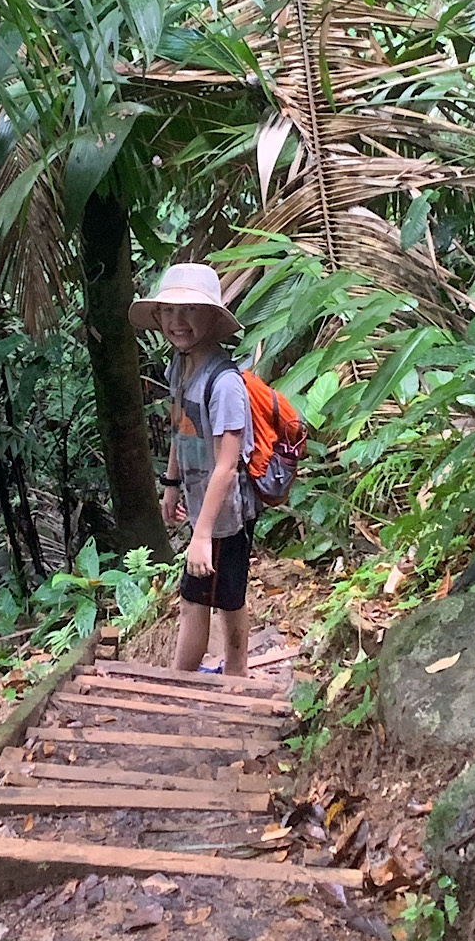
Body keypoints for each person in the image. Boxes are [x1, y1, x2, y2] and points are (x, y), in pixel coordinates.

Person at [129, 262, 259, 678]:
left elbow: (227, 464)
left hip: (225, 513)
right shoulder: (180, 367)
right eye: (168, 311)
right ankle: (227, 673)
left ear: (212, 318)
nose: (176, 321)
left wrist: (201, 536)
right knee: (218, 593)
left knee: (205, 597)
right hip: (204, 506)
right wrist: (170, 484)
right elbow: (179, 428)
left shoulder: (224, 385)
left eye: (189, 310)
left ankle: (190, 681)